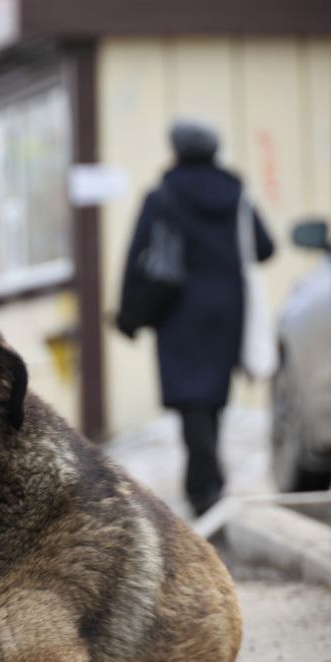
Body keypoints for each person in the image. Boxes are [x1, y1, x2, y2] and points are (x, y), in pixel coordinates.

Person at [118, 119, 275, 517]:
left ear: (177, 151)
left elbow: (136, 257)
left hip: (178, 312)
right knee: (213, 397)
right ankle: (208, 482)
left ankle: (204, 486)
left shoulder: (163, 196)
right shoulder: (235, 196)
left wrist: (128, 312)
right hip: (226, 309)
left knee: (191, 398)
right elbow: (264, 246)